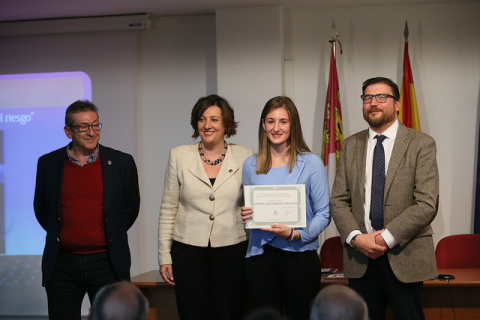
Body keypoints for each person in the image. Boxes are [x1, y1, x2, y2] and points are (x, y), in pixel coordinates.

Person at [330, 77, 439, 320]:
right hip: (361, 259)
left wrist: (384, 238)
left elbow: (426, 203)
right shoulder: (350, 145)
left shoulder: (421, 144)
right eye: (367, 98)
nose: (373, 103)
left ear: (397, 104)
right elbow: (338, 200)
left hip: (405, 255)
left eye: (381, 97)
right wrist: (357, 239)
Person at [34, 100, 140, 320]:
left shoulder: (121, 162)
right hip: (62, 265)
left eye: (95, 125)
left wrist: (107, 234)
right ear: (68, 131)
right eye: (83, 127)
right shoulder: (48, 163)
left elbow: (129, 209)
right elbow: (42, 210)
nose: (91, 132)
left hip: (107, 263)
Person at [158, 94, 254, 320]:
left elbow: (253, 202)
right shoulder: (178, 156)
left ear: (226, 124)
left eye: (214, 119)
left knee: (229, 312)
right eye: (202, 119)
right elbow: (168, 208)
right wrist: (164, 256)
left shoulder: (246, 156)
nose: (207, 125)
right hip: (187, 251)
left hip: (232, 248)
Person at [241, 96, 331, 320]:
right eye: (270, 121)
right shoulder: (251, 164)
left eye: (283, 121)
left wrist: (296, 233)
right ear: (263, 125)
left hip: (299, 257)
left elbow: (324, 213)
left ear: (293, 125)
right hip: (260, 258)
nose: (276, 128)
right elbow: (250, 206)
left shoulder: (311, 163)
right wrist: (247, 214)